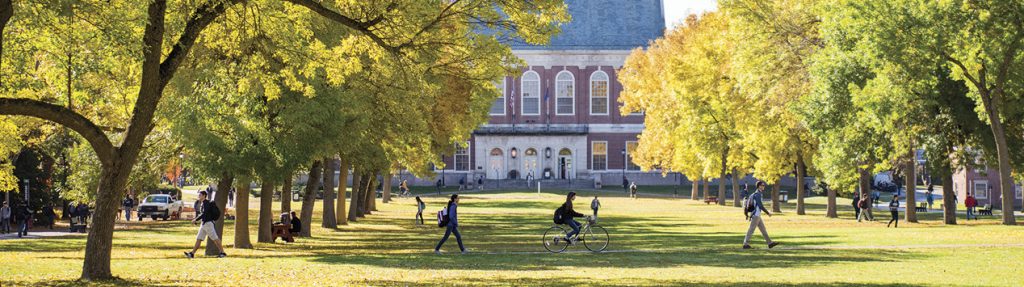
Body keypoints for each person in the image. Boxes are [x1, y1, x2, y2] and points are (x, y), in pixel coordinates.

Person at [184, 191, 226, 258]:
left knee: (215, 238)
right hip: (204, 224)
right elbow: (203, 214)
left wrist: (196, 219)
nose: (199, 196)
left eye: (200, 195)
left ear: (204, 195)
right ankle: (192, 253)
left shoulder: (206, 203)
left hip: (208, 224)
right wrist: (197, 220)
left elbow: (204, 214)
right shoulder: (203, 203)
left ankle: (222, 253)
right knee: (199, 238)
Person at [743, 181, 779, 249]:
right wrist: (768, 213)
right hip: (756, 215)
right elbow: (760, 205)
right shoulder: (758, 194)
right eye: (762, 185)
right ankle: (745, 244)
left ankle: (770, 243)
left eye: (764, 185)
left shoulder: (756, 194)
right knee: (751, 229)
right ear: (759, 186)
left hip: (757, 215)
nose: (763, 186)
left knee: (763, 230)